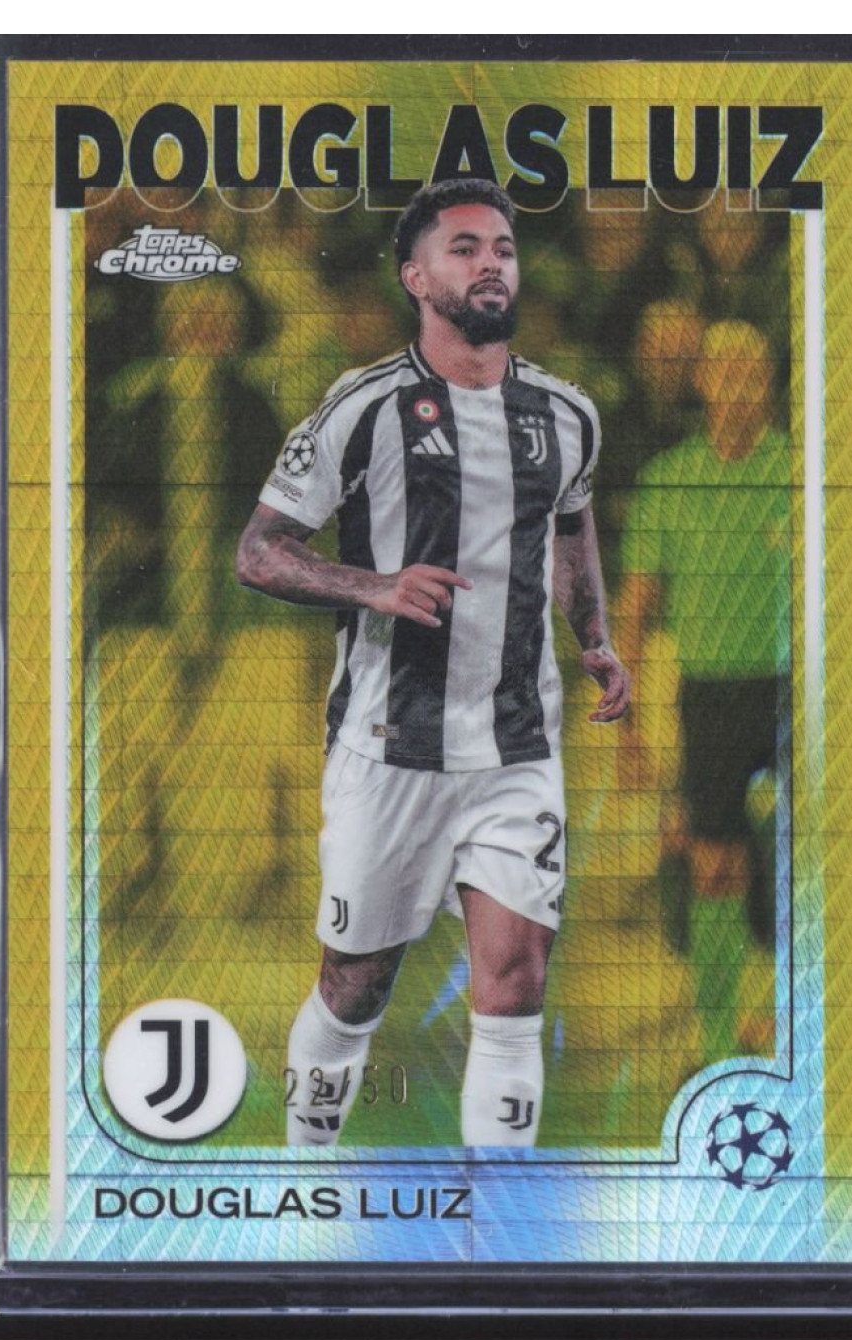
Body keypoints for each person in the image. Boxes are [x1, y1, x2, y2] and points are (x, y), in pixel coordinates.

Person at [236, 179, 631, 1147]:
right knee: (355, 985)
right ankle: (307, 1169)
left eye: (502, 247)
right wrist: (374, 586)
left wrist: (593, 635)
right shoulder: (363, 407)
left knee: (515, 981)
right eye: (464, 248)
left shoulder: (566, 413)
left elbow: (570, 526)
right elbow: (260, 551)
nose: (490, 262)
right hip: (389, 747)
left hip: (515, 745)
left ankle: (497, 1214)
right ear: (415, 277)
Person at [618, 319, 790, 1064]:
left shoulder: (799, 472)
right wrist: (626, 723)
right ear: (701, 382)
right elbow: (636, 606)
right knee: (714, 863)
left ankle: (777, 1013)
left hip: (789, 692)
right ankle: (711, 1027)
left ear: (771, 382)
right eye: (723, 370)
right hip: (708, 693)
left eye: (751, 369)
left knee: (793, 854)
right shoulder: (668, 479)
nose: (737, 384)